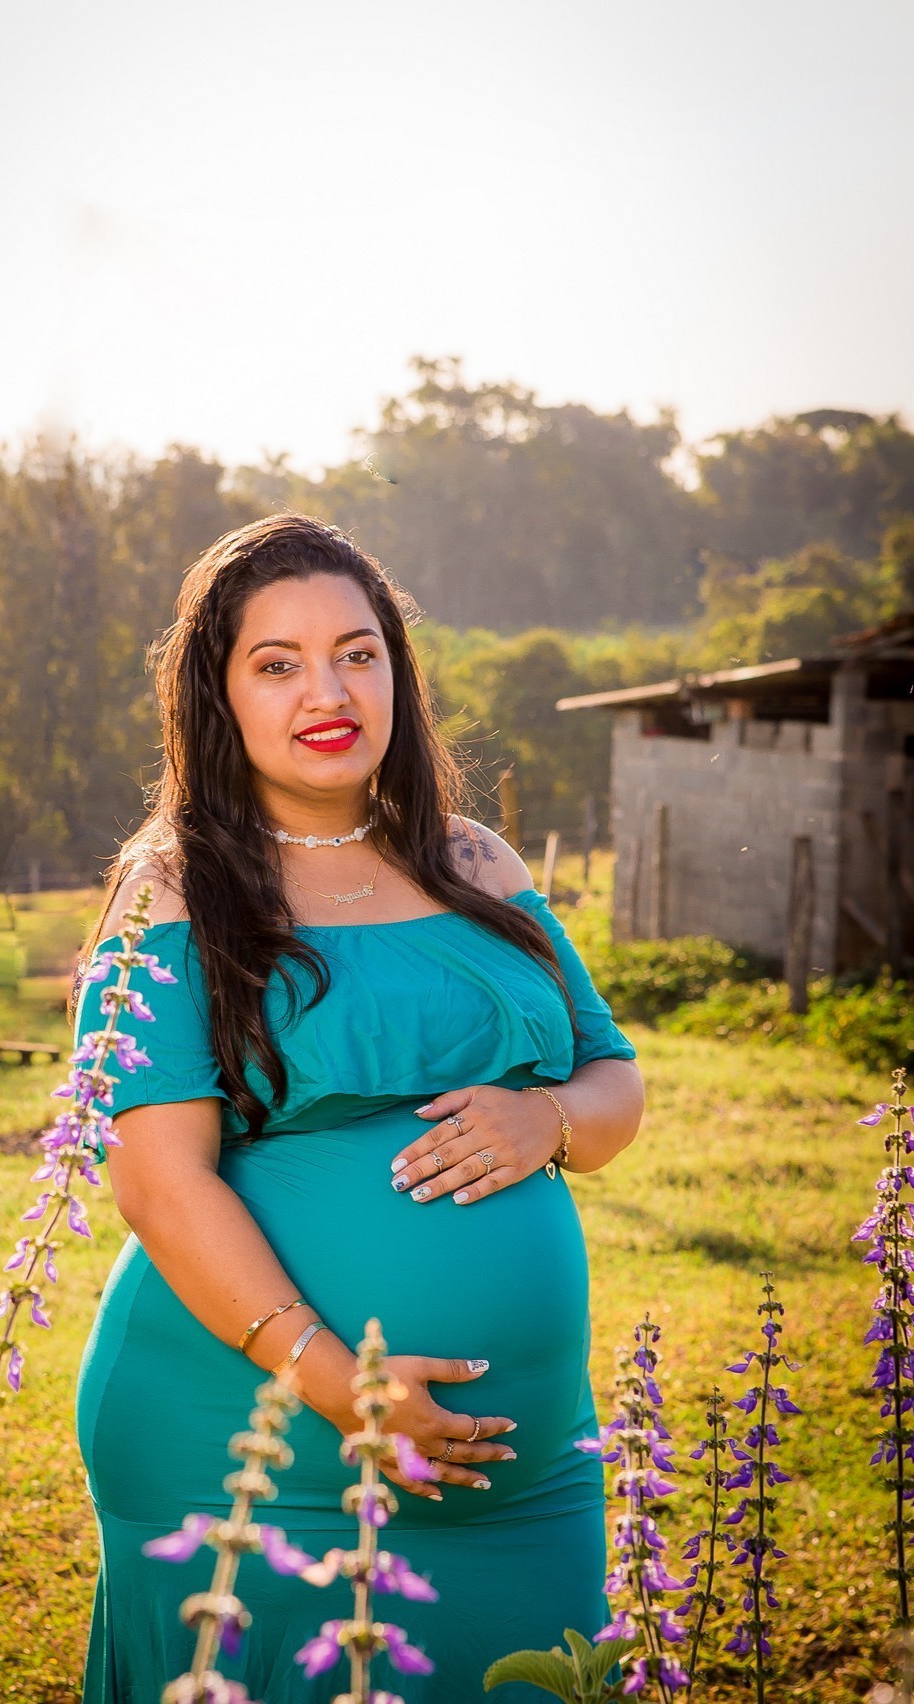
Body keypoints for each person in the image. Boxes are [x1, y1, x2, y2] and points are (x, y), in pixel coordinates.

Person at [71, 514, 644, 1703]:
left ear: (396, 670)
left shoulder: (476, 864)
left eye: (356, 653)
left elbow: (612, 1078)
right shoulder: (174, 887)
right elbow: (158, 1184)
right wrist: (341, 1384)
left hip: (528, 1481)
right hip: (253, 1460)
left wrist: (547, 1121)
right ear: (218, 695)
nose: (326, 692)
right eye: (276, 663)